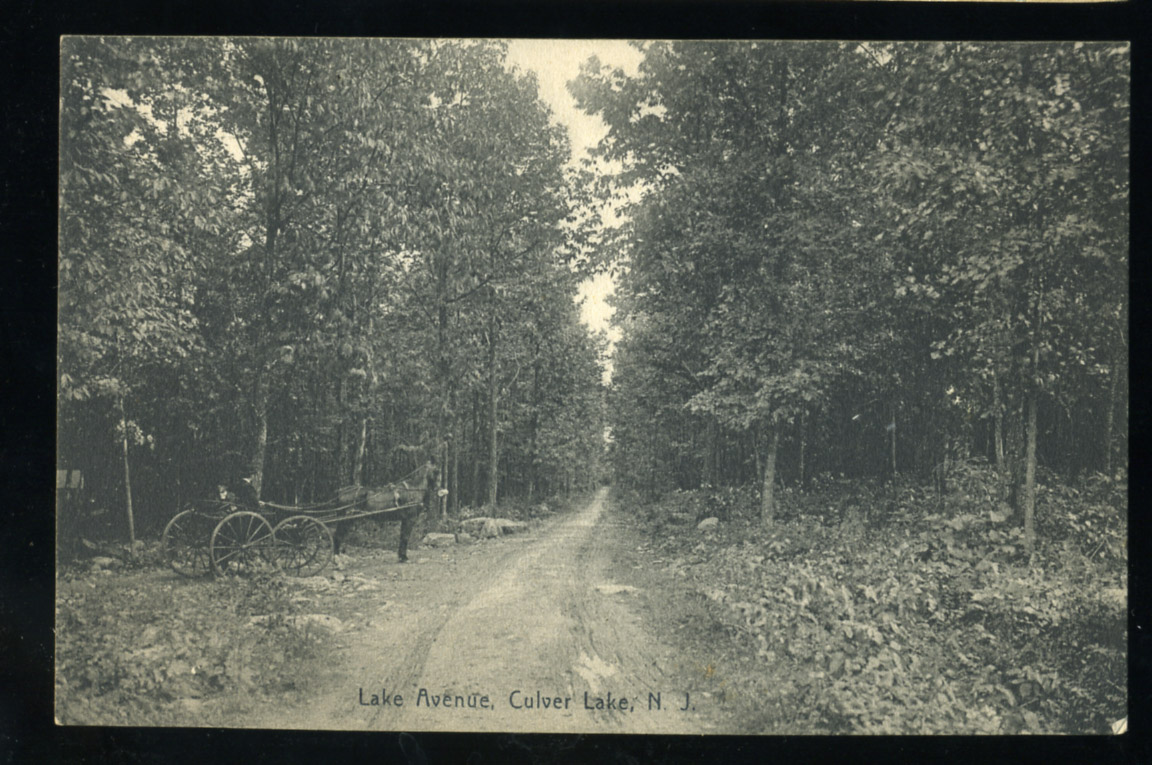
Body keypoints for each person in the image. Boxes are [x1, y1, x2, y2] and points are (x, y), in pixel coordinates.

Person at [397, 456, 438, 563]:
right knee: (408, 524)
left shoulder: (423, 475)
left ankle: (402, 553)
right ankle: (402, 554)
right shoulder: (425, 474)